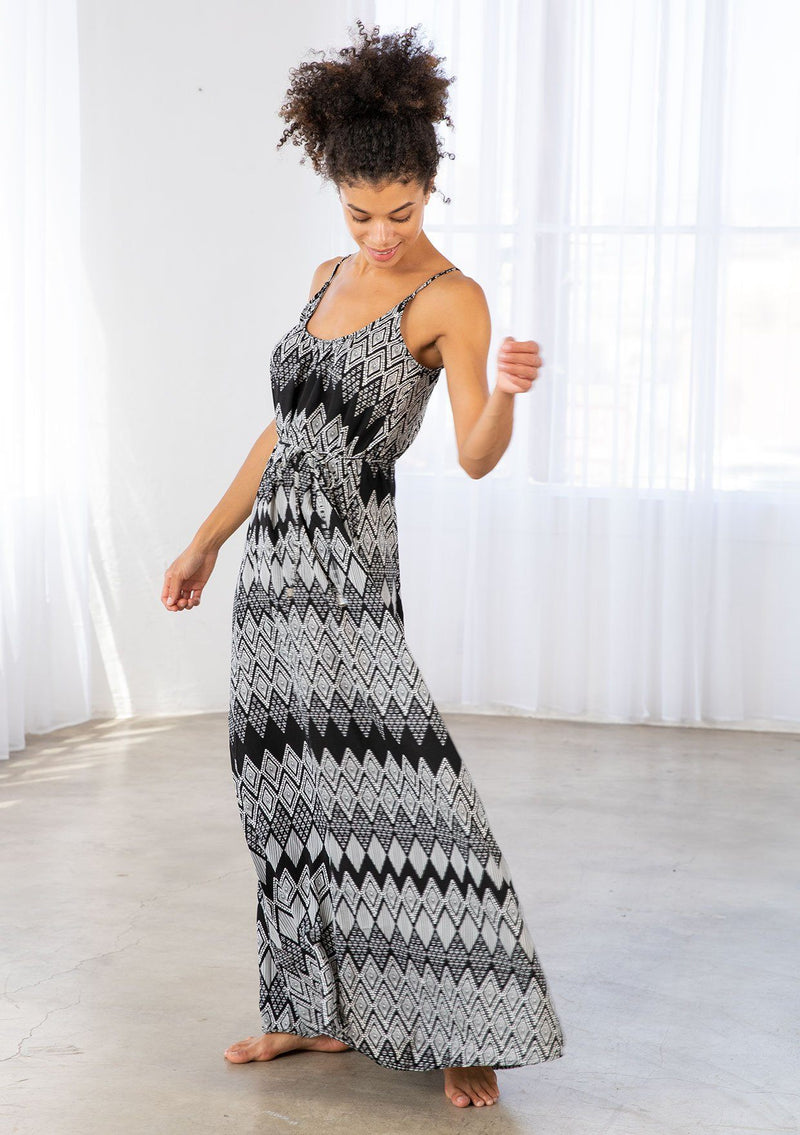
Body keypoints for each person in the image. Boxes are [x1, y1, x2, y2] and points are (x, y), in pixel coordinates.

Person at [161, 20, 565, 1110]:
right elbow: (282, 432)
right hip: (271, 570)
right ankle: (312, 1008)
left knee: (398, 782)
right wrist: (205, 539)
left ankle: (467, 1024)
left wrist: (508, 395)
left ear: (428, 189)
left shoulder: (450, 298)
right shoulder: (325, 274)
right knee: (283, 783)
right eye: (359, 212)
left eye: (402, 211)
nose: (381, 234)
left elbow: (473, 452)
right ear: (336, 194)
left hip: (343, 565)